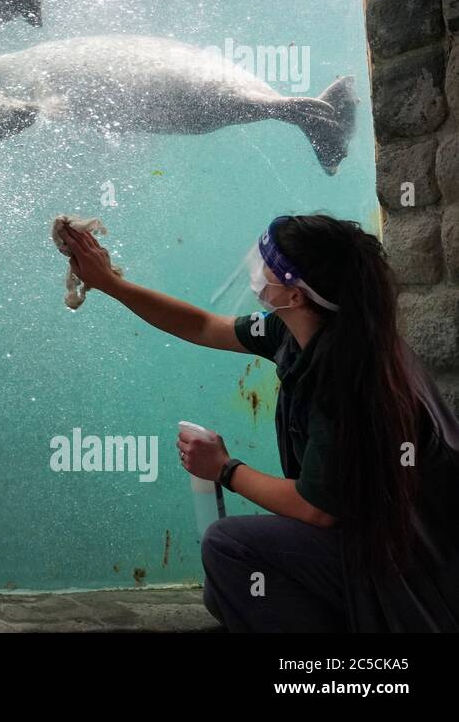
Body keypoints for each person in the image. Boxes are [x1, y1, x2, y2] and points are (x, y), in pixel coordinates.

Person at [62, 214, 459, 632]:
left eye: (268, 261)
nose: (257, 269)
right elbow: (203, 326)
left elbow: (316, 509)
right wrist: (111, 284)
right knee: (232, 589)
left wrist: (224, 469)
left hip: (407, 573)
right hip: (372, 545)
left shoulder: (346, 376)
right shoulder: (300, 329)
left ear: (296, 293)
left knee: (229, 549)